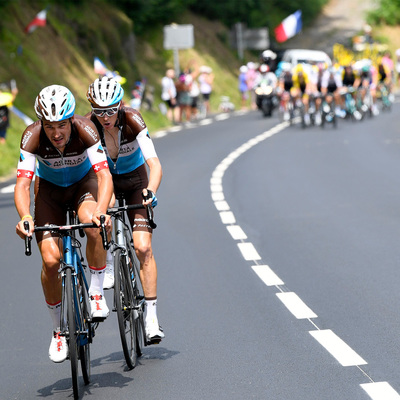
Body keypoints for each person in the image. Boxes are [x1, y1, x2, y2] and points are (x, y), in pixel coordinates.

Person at [14, 85, 113, 363]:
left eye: (61, 125)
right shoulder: (31, 137)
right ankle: (58, 330)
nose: (56, 133)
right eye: (49, 126)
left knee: (93, 224)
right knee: (50, 260)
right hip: (50, 192)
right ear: (40, 123)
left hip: (83, 185)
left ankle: (95, 291)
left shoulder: (86, 130)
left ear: (71, 120)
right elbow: (22, 184)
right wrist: (25, 216)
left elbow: (104, 176)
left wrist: (103, 211)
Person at [86, 77, 164, 344]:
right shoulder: (89, 126)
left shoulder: (133, 119)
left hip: (135, 181)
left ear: (120, 105)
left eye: (110, 110)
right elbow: (91, 171)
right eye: (98, 110)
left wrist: (150, 190)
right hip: (106, 180)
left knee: (143, 248)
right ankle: (108, 261)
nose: (105, 117)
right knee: (101, 215)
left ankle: (151, 317)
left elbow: (154, 164)